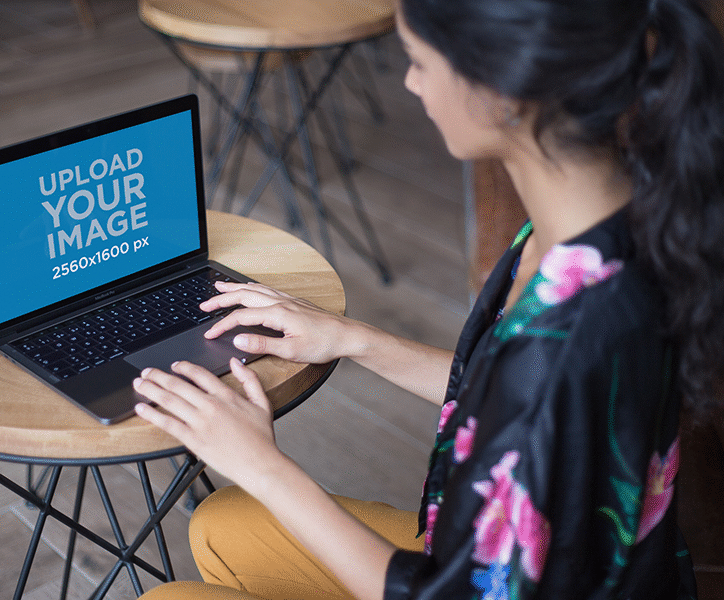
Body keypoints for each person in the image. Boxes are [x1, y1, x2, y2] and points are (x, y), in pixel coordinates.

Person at [134, 0, 724, 598]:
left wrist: (265, 467)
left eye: (417, 61)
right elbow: (525, 400)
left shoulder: (572, 334)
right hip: (568, 567)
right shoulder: (622, 214)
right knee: (219, 523)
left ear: (500, 90)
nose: (411, 83)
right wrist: (357, 339)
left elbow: (536, 395)